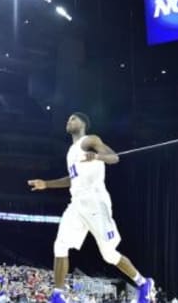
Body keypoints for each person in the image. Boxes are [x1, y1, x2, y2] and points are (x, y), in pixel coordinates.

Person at [27, 112, 155, 303]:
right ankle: (57, 295)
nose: (68, 120)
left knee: (109, 255)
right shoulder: (71, 151)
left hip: (96, 201)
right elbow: (72, 180)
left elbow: (114, 158)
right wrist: (46, 184)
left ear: (83, 124)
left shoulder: (90, 140)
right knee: (60, 245)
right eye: (68, 118)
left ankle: (143, 283)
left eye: (73, 118)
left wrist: (96, 155)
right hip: (77, 203)